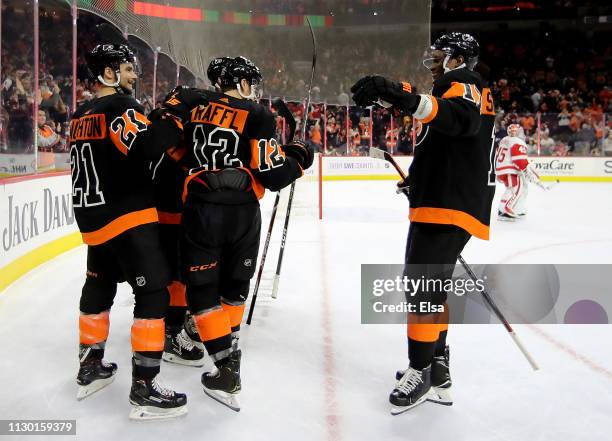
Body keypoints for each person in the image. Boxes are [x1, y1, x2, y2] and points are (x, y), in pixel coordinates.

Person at [351, 32, 496, 414]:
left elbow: (459, 122)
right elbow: (452, 144)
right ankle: (438, 368)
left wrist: (402, 95)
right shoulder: (456, 85)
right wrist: (419, 180)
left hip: (450, 204)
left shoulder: (463, 82)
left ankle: (421, 371)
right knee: (431, 286)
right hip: (446, 199)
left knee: (421, 288)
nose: (434, 61)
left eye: (440, 55)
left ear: (459, 58)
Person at [157, 56, 313, 411]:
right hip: (243, 212)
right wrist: (300, 157)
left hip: (201, 209)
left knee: (202, 292)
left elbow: (175, 151)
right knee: (234, 285)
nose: (254, 89)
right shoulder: (259, 116)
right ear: (240, 82)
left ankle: (222, 359)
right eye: (251, 82)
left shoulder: (195, 106)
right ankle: (227, 354)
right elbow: (272, 174)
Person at [71, 43, 188, 420]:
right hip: (129, 217)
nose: (133, 75)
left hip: (96, 220)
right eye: (126, 68)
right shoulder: (121, 107)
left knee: (98, 287)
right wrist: (174, 116)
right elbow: (148, 146)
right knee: (153, 294)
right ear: (108, 73)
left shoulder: (80, 114)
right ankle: (145, 388)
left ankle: (89, 367)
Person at [496, 124, 545, 220]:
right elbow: (519, 159)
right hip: (510, 169)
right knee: (516, 188)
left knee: (516, 188)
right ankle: (505, 210)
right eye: (520, 132)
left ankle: (517, 209)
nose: (522, 134)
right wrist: (526, 170)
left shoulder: (505, 139)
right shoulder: (517, 141)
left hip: (502, 168)